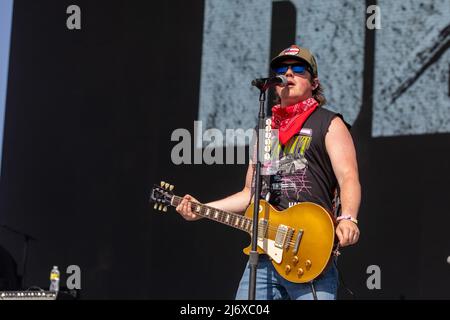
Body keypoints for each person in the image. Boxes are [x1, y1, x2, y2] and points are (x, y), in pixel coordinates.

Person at [176, 44, 361, 300]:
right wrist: (202, 208)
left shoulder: (328, 123)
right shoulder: (267, 130)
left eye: (298, 69)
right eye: (281, 69)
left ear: (314, 82)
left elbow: (348, 176)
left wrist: (349, 218)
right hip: (264, 254)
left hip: (308, 248)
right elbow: (250, 195)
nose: (289, 74)